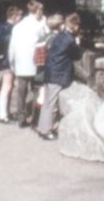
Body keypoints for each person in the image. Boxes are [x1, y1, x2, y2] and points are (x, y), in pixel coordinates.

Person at [36, 13, 84, 141]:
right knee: (51, 104)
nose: (78, 28)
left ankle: (43, 128)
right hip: (58, 74)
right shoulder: (69, 39)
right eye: (78, 25)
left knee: (48, 102)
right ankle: (46, 131)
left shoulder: (59, 35)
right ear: (74, 26)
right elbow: (77, 55)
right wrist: (78, 44)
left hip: (50, 72)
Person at [8, 0, 48, 128]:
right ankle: (35, 119)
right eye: (41, 10)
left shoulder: (17, 26)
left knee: (21, 92)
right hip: (38, 64)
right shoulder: (40, 25)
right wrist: (45, 23)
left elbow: (12, 48)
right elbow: (48, 40)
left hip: (21, 64)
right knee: (37, 90)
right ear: (38, 11)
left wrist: (12, 64)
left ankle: (21, 118)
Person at [0, 6, 23, 123]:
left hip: (6, 59)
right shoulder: (9, 29)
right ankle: (2, 115)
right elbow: (0, 44)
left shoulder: (1, 27)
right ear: (14, 17)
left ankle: (6, 113)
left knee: (9, 87)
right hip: (6, 60)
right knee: (7, 87)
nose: (21, 18)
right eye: (20, 16)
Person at [32, 13, 64, 125]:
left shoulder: (43, 37)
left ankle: (35, 120)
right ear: (60, 25)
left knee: (41, 96)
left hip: (39, 69)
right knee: (49, 99)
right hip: (50, 71)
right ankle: (44, 123)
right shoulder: (57, 39)